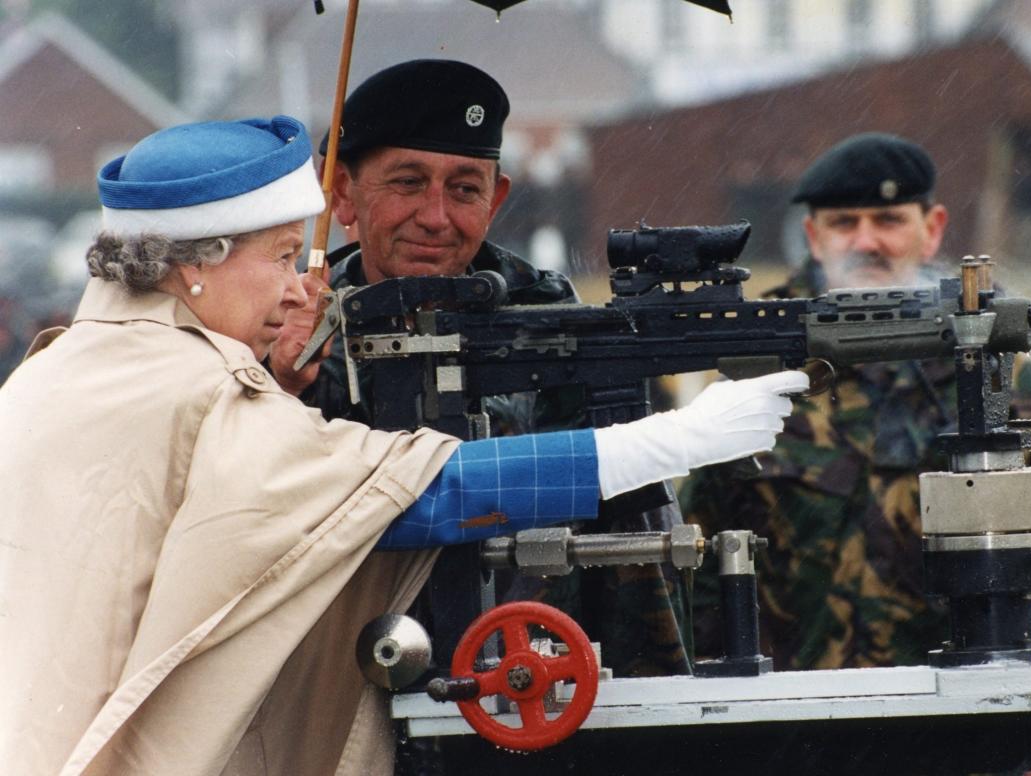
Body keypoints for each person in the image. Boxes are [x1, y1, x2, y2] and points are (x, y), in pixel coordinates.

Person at [0, 116, 806, 776]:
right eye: (281, 255)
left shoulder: (63, 366)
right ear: (196, 265)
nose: (296, 287)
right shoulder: (195, 388)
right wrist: (672, 440)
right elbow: (416, 496)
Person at [269, 59, 694, 679]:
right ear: (342, 197)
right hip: (340, 681)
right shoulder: (283, 330)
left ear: (495, 200)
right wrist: (283, 387)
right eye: (408, 184)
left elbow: (637, 551)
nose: (436, 217)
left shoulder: (556, 329)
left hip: (529, 684)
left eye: (464, 189)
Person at [680, 132, 1031, 671]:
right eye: (844, 223)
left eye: (888, 221)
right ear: (813, 236)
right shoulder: (758, 367)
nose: (867, 242)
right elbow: (692, 561)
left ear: (932, 231)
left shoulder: (991, 369)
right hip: (794, 720)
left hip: (958, 715)